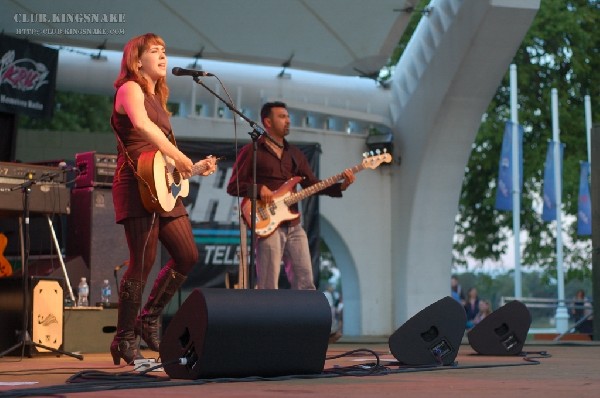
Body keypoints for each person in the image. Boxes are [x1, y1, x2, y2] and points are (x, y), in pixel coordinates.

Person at [109, 33, 216, 365]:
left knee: (187, 255)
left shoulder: (159, 98)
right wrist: (180, 156)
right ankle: (124, 339)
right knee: (142, 260)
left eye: (165, 51)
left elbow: (166, 161)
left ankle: (149, 317)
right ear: (137, 60)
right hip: (136, 181)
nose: (163, 56)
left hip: (160, 183)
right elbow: (142, 128)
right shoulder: (130, 88)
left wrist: (192, 168)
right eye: (154, 51)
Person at [226, 101, 355, 290]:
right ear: (267, 122)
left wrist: (340, 186)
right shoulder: (252, 151)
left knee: (306, 282)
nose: (288, 120)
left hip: (294, 225)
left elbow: (311, 184)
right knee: (268, 286)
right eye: (282, 116)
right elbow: (233, 186)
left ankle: (305, 319)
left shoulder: (295, 154)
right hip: (268, 226)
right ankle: (267, 319)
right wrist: (258, 188)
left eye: (288, 116)